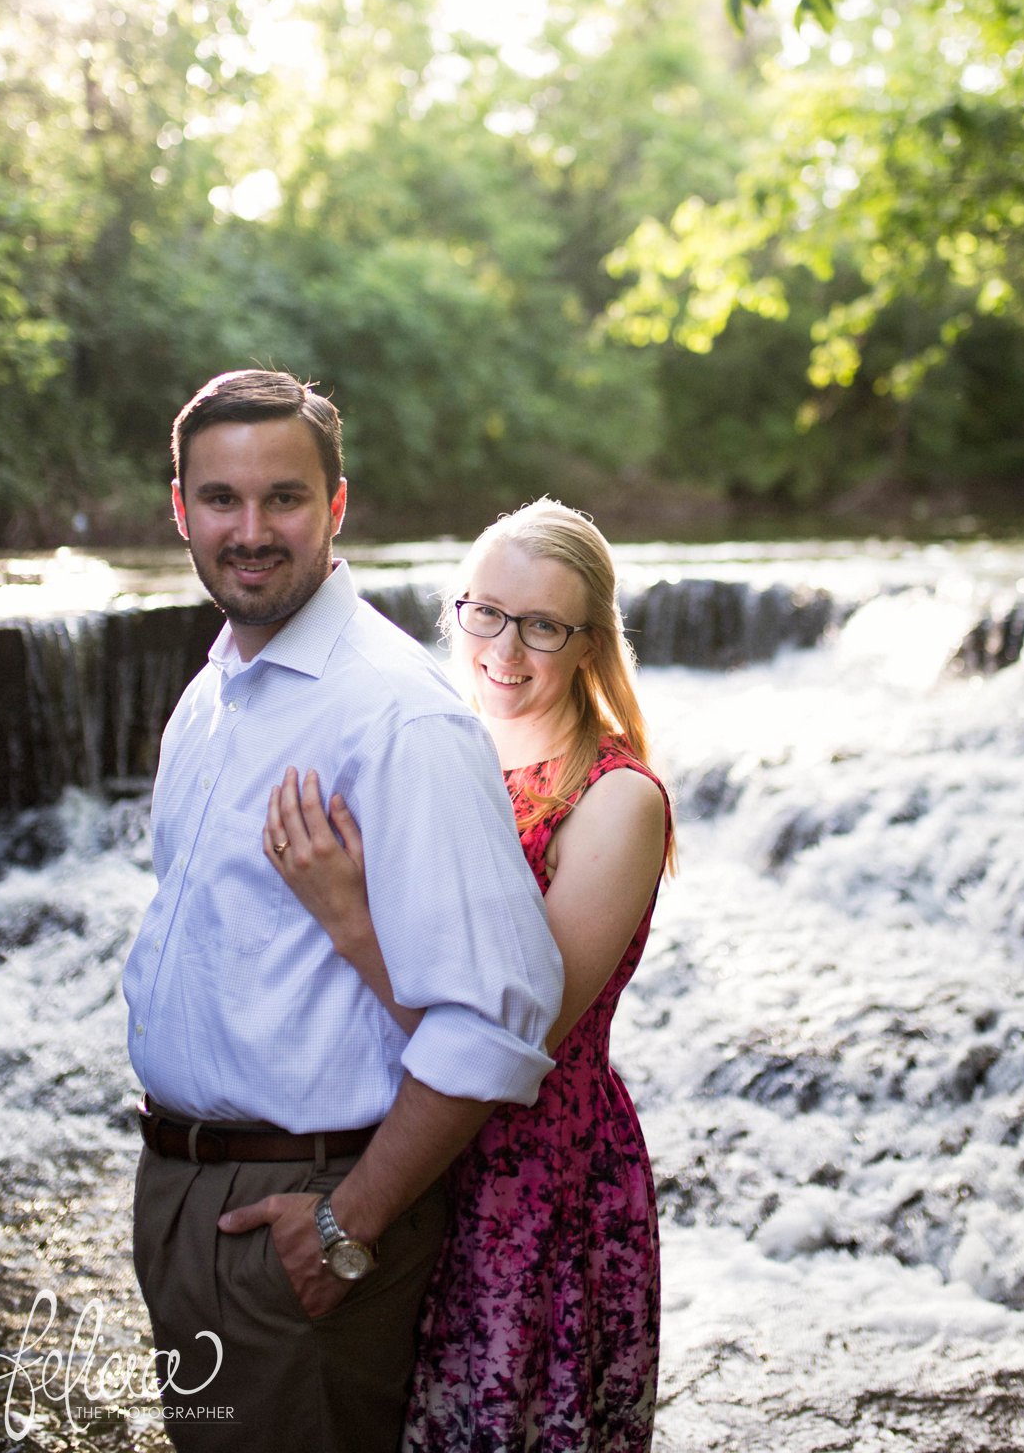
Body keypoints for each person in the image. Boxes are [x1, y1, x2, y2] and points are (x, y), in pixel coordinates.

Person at [122, 371, 563, 1453]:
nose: (252, 528)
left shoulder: (398, 715)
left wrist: (344, 1224)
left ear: (337, 506)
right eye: (221, 499)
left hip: (304, 1210)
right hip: (185, 1198)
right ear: (180, 508)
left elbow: (497, 1018)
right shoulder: (210, 694)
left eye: (285, 497)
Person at [265, 496, 674, 1453]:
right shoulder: (436, 747)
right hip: (403, 1149)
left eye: (542, 626)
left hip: (535, 1185)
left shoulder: (612, 803)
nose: (504, 648)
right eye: (484, 612)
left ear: (590, 642)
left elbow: (512, 1040)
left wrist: (344, 912)